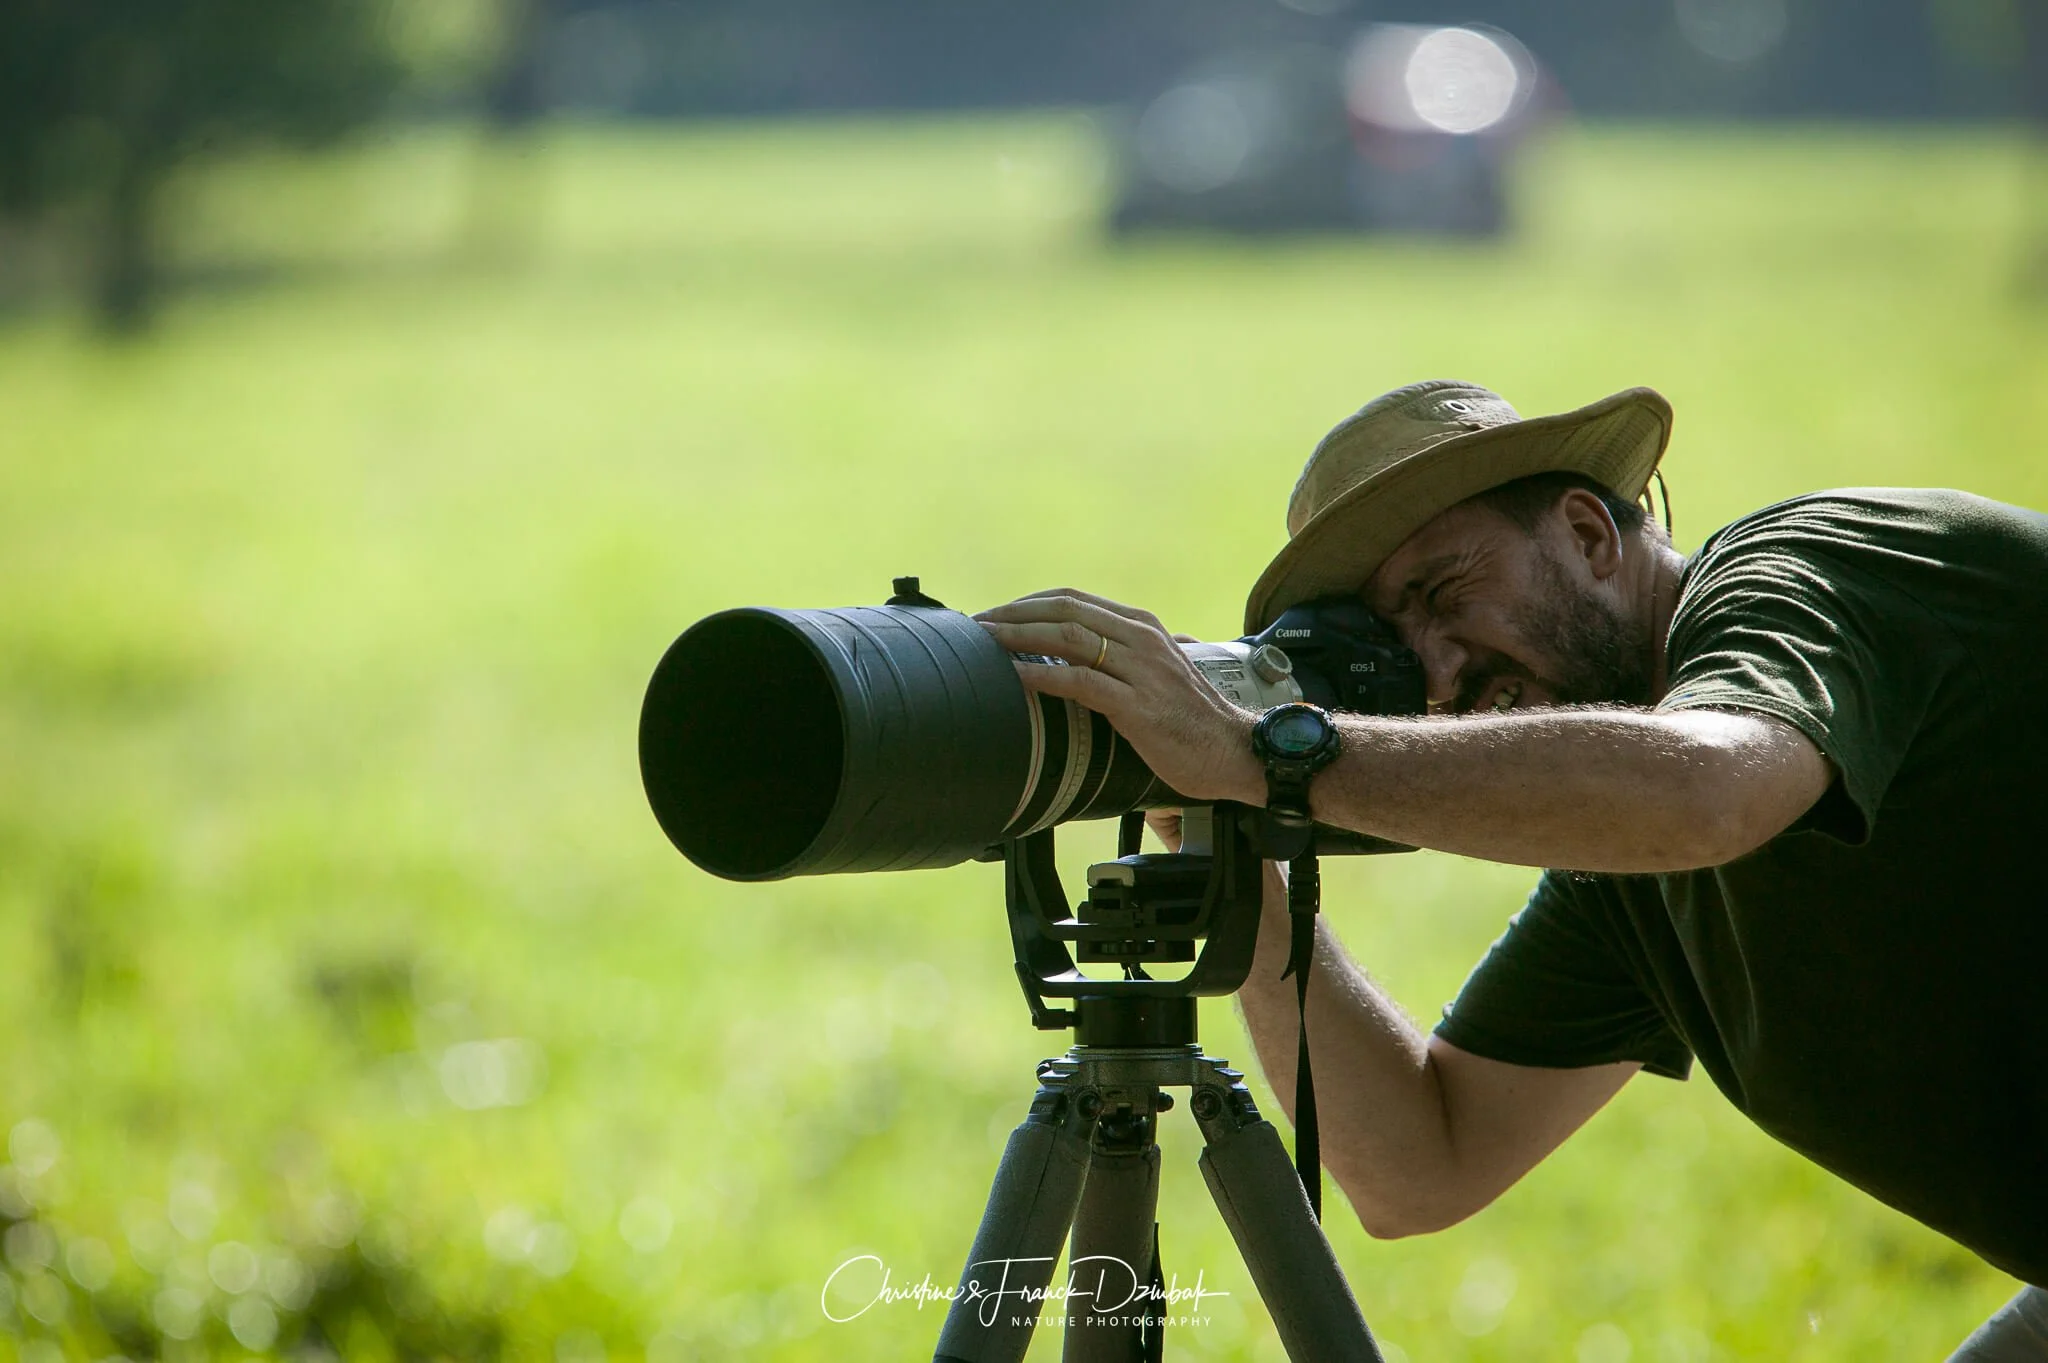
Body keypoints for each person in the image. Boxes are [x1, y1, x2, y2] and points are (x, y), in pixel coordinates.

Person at [973, 379, 2048, 1360]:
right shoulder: (1631, 860)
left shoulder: (1817, 569)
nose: (1436, 676)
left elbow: (1709, 793)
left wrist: (1269, 755)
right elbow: (1418, 1165)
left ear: (1587, 533)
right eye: (1395, 645)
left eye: (1444, 593)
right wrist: (1237, 867)